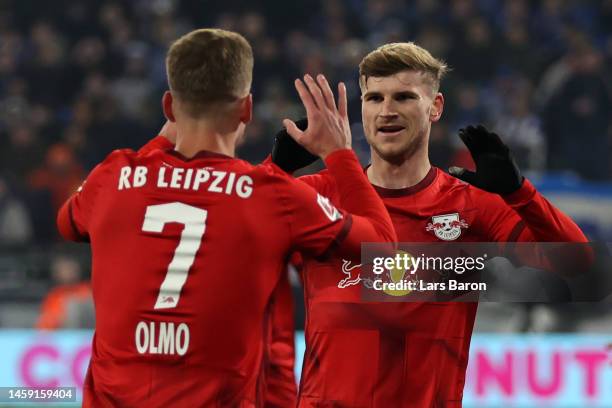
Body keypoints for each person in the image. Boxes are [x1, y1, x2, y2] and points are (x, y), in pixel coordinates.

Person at [56, 28, 396, 407]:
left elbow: (67, 223)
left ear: (168, 106)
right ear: (246, 109)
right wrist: (339, 154)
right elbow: (383, 247)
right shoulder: (273, 194)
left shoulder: (113, 175)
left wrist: (159, 144)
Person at [272, 42, 588, 406]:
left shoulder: (471, 205)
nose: (386, 111)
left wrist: (520, 193)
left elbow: (576, 263)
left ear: (435, 107)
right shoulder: (317, 196)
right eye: (374, 98)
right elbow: (227, 239)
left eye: (404, 97)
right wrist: (274, 170)